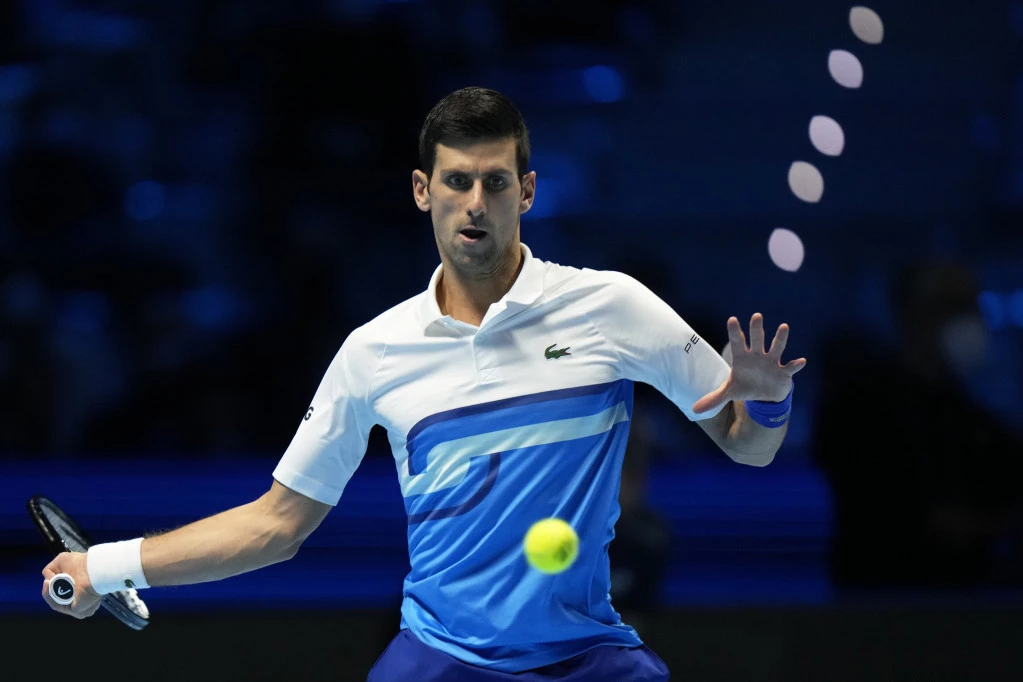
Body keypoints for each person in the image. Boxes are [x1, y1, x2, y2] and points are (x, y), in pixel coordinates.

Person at [40, 86, 806, 681]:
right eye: (456, 181)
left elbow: (748, 447)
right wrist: (103, 566)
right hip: (439, 663)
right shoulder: (374, 352)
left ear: (526, 191)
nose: (474, 203)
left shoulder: (612, 307)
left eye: (495, 183)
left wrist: (767, 401)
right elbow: (276, 525)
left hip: (587, 659)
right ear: (421, 189)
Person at [812, 256, 1023, 590]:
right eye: (950, 305)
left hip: (968, 603)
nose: (969, 320)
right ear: (911, 314)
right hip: (876, 601)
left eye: (970, 306)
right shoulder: (858, 407)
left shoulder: (976, 417)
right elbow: (873, 509)